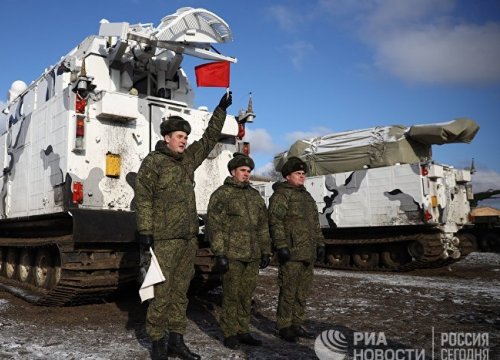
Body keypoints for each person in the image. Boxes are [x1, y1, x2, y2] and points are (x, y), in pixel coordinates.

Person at [134, 92, 232, 360]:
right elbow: (143, 199)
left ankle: (177, 340)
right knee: (162, 293)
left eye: (185, 137)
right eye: (180, 137)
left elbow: (209, 139)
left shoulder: (188, 160)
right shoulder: (153, 163)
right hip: (164, 239)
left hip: (188, 238)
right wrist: (145, 232)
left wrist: (220, 110)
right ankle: (157, 343)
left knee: (181, 293)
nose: (184, 140)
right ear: (167, 138)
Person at [206, 152, 272, 350]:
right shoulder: (221, 194)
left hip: (252, 254)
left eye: (249, 171)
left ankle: (243, 330)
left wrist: (266, 250)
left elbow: (263, 226)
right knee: (231, 295)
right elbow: (214, 226)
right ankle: (229, 332)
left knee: (246, 295)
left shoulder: (254, 196)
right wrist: (219, 253)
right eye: (243, 171)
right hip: (232, 254)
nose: (247, 174)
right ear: (233, 171)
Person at [268, 157, 326, 342]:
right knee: (288, 291)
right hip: (291, 252)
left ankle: (297, 324)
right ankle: (284, 326)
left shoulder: (306, 196)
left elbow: (314, 224)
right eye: (298, 174)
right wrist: (281, 246)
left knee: (302, 292)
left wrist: (320, 243)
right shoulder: (281, 195)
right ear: (287, 176)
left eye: (303, 174)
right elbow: (275, 222)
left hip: (307, 252)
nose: (302, 177)